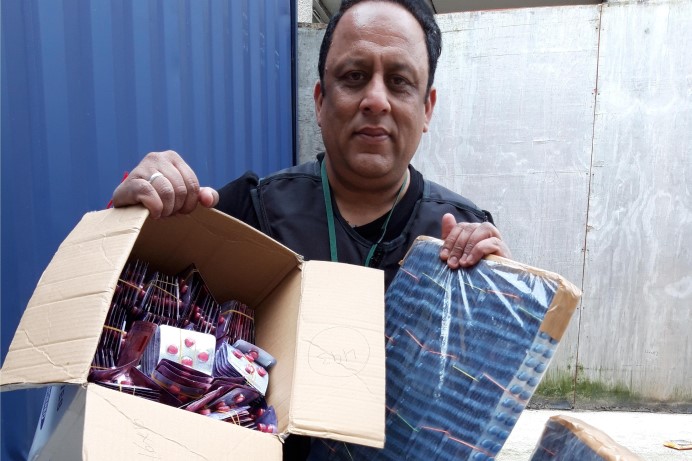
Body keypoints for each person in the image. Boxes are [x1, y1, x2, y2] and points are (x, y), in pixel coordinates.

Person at [112, 0, 510, 457]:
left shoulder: (462, 235)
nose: (375, 99)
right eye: (354, 76)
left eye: (399, 82)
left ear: (427, 108)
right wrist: (135, 211)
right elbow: (130, 321)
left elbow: (480, 403)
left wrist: (502, 306)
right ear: (320, 101)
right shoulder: (250, 212)